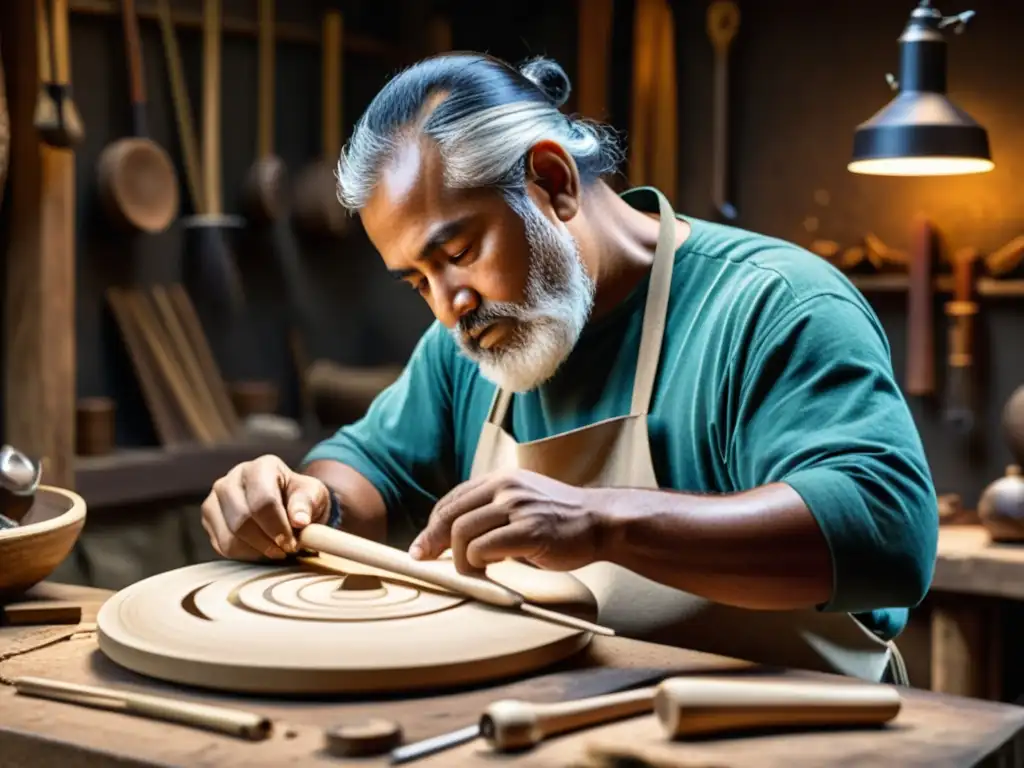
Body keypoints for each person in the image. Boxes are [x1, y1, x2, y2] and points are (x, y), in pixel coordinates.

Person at [201, 53, 937, 681]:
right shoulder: (474, 342)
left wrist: (604, 521)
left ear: (552, 181)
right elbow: (368, 472)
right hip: (568, 731)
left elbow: (886, 530)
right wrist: (300, 502)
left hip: (801, 740)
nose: (448, 305)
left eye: (457, 255)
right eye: (418, 280)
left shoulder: (771, 305)